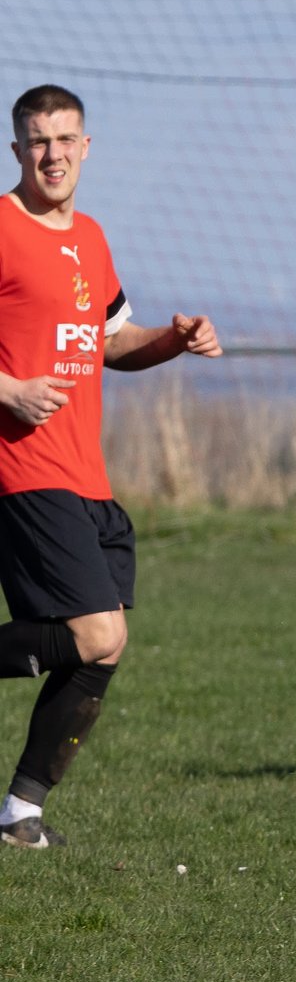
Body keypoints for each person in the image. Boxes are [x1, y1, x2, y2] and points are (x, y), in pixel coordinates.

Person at [0, 85, 221, 851]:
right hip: (23, 471)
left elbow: (109, 343)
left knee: (109, 643)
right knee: (93, 632)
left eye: (65, 140)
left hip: (88, 476)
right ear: (17, 149)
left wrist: (174, 338)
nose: (52, 154)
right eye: (36, 141)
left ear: (86, 147)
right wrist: (10, 389)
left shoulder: (90, 239)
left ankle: (21, 813)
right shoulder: (0, 228)